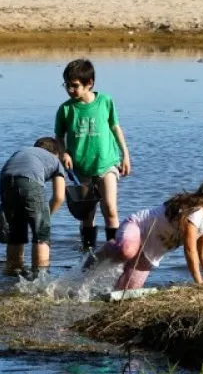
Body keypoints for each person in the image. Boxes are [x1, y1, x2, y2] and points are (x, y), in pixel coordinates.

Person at [92, 170, 203, 290]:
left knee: (124, 292)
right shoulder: (195, 211)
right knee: (127, 250)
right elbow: (190, 250)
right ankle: (101, 254)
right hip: (138, 227)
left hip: (149, 254)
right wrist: (198, 282)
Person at [55, 59, 131, 257]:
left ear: (89, 83)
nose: (70, 90)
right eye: (67, 85)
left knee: (110, 209)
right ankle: (88, 254)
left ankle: (113, 253)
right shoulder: (66, 109)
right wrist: (64, 152)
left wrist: (125, 155)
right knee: (87, 215)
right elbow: (59, 137)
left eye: (74, 85)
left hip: (106, 164)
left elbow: (115, 127)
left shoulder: (105, 101)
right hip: (81, 169)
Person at [0, 137, 67, 277]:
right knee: (41, 234)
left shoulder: (22, 152)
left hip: (5, 181)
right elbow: (59, 197)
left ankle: (12, 274)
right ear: (56, 153)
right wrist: (44, 217)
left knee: (16, 234)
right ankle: (40, 276)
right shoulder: (55, 160)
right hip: (29, 183)